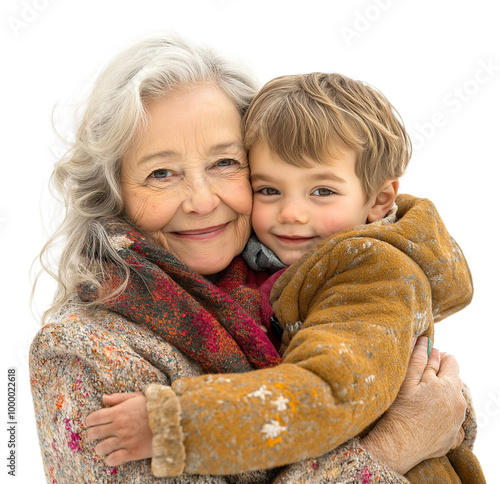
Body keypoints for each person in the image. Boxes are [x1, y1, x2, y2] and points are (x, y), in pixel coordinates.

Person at [29, 32, 475, 483]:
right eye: (161, 173)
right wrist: (398, 442)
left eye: (224, 163)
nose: (202, 202)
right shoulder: (82, 350)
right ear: (112, 193)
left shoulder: (319, 273)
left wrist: (446, 408)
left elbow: (385, 387)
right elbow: (394, 409)